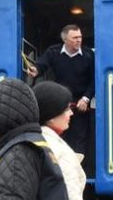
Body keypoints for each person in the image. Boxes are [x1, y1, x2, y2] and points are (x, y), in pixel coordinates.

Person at [25, 25, 94, 156]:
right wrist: (36, 70)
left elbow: (95, 80)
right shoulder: (53, 52)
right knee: (60, 136)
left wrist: (86, 98)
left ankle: (79, 167)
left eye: (80, 37)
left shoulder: (89, 55)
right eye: (75, 38)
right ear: (65, 39)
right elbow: (42, 65)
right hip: (60, 103)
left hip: (81, 104)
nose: (79, 40)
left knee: (80, 139)